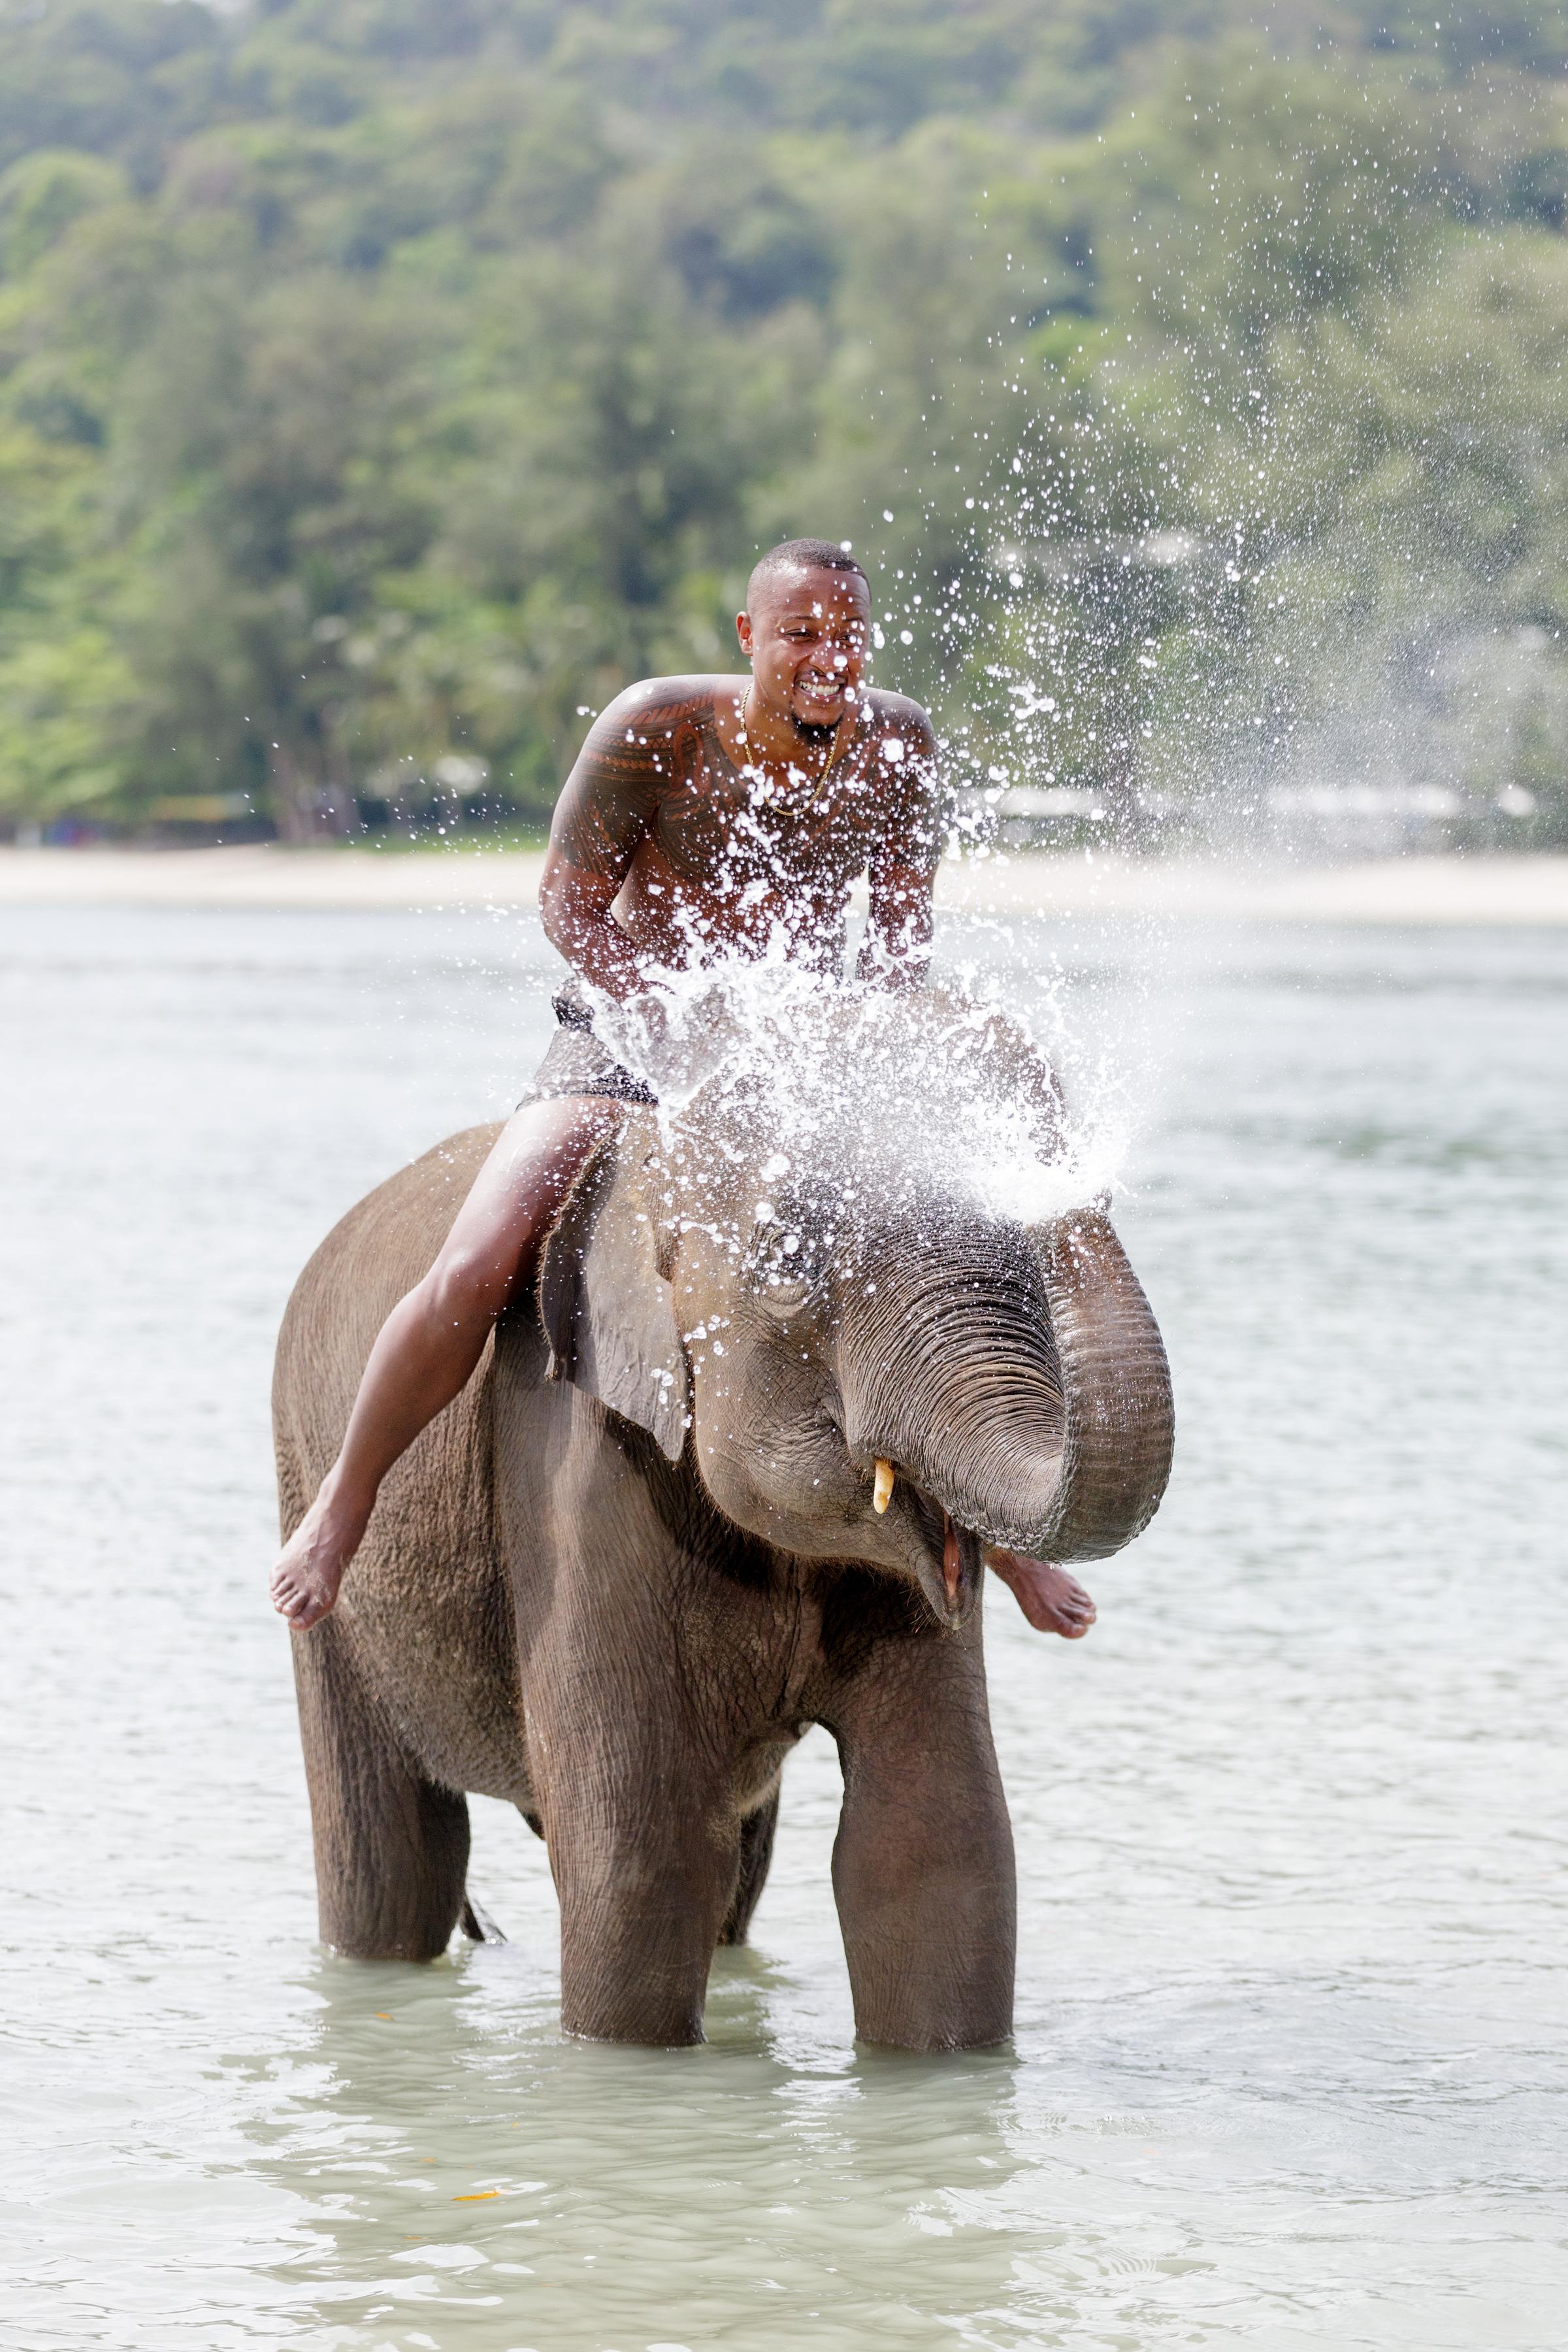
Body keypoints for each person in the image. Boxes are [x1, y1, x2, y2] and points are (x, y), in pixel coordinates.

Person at [269, 538, 1096, 1644]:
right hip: (627, 1041)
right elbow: (569, 913)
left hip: (801, 1063)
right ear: (752, 638)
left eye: (845, 636)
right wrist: (667, 1018)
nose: (826, 658)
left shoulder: (896, 745)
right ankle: (345, 1501)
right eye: (800, 634)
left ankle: (1010, 1535)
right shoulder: (655, 730)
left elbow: (899, 957)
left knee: (931, 1268)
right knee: (478, 1257)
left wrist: (876, 1082)